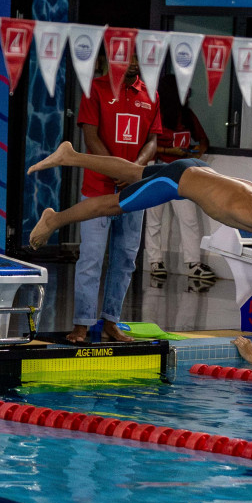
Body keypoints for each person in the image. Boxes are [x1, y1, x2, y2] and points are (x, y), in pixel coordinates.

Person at [27, 141, 252, 327]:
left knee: (135, 171)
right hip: (178, 182)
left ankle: (70, 155)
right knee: (112, 206)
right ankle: (55, 219)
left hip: (197, 170)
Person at [67, 58, 162, 344]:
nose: (133, 62)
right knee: (91, 259)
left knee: (124, 261)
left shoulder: (151, 94)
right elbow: (90, 137)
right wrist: (116, 168)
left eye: (138, 56)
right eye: (127, 55)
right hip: (98, 190)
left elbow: (153, 142)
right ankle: (82, 324)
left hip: (134, 191)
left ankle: (111, 322)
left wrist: (134, 171)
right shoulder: (94, 89)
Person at [144, 74, 212, 282]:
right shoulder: (154, 112)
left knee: (188, 218)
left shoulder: (186, 115)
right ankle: (155, 262)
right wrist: (171, 150)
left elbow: (203, 140)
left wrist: (193, 155)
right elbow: (148, 145)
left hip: (181, 172)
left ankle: (193, 264)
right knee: (154, 218)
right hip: (157, 169)